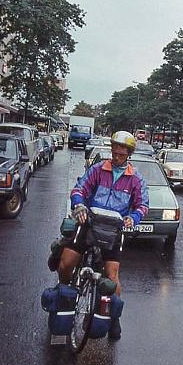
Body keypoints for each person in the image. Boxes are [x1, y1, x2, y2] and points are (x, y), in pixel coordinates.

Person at [57, 130, 149, 340]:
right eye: (114, 152)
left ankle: (114, 318)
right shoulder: (98, 170)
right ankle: (64, 293)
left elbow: (142, 205)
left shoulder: (136, 179)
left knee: (112, 276)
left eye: (121, 154)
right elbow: (79, 189)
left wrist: (132, 218)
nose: (116, 156)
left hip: (113, 231)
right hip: (88, 223)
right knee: (66, 262)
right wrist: (79, 205)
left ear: (129, 154)